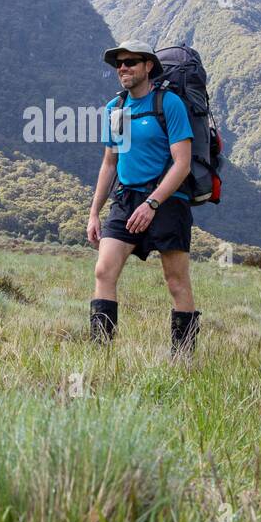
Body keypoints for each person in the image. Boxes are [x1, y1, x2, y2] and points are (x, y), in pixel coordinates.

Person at [86, 41, 200, 358]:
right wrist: (94, 213)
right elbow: (110, 163)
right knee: (103, 272)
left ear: (148, 66)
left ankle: (184, 357)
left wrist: (152, 204)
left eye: (130, 62)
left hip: (168, 200)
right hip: (125, 200)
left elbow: (182, 163)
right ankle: (101, 354)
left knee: (176, 282)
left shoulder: (169, 104)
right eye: (118, 64)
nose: (122, 68)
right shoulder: (116, 109)